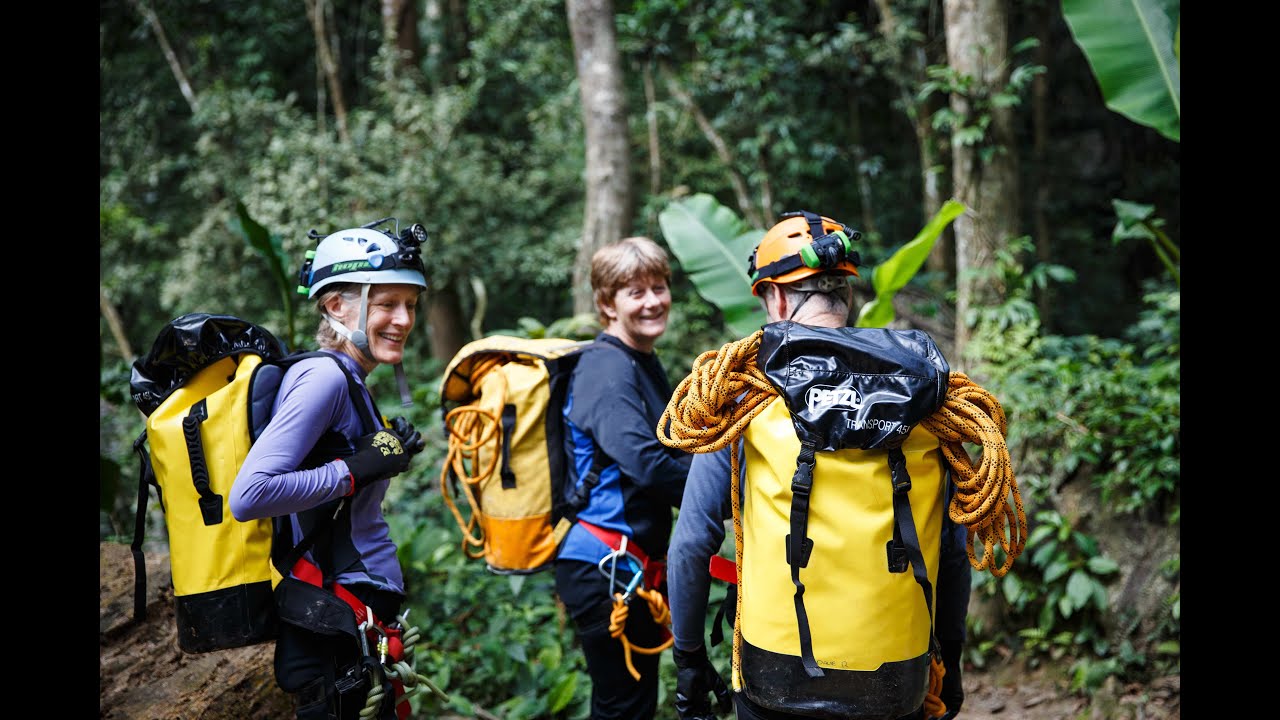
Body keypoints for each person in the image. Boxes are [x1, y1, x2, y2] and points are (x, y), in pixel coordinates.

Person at [665, 211, 971, 720]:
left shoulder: (742, 396)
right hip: (897, 676)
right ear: (846, 295)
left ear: (776, 298)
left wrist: (689, 659)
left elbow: (692, 543)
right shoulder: (928, 398)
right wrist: (951, 657)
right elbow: (954, 553)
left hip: (775, 671)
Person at [229, 218, 431, 720]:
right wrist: (353, 468)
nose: (403, 319)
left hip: (350, 619)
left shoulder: (350, 378)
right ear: (337, 306)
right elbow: (249, 495)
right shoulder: (324, 378)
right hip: (331, 618)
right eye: (386, 304)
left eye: (410, 304)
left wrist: (379, 456)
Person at [555, 236, 695, 720]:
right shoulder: (606, 367)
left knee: (627, 703)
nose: (653, 301)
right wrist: (730, 501)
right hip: (604, 563)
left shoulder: (640, 362)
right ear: (606, 304)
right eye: (635, 292)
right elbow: (646, 461)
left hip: (627, 565)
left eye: (658, 287)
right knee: (624, 707)